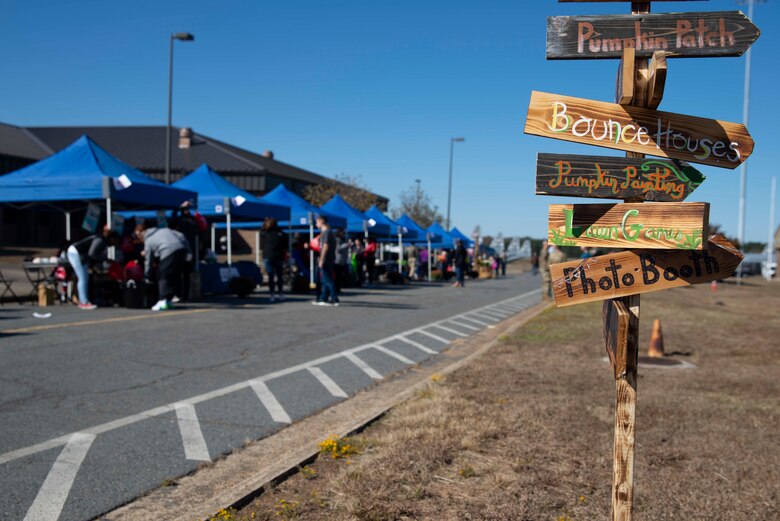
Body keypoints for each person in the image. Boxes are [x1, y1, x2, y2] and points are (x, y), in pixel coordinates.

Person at [137, 221, 191, 311]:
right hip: (182, 250)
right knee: (174, 275)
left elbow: (149, 260)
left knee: (162, 275)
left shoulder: (149, 240)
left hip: (168, 251)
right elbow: (181, 235)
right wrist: (188, 251)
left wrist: (147, 275)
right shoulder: (164, 230)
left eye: (139, 236)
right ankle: (169, 299)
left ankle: (163, 300)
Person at [65, 226, 119, 310]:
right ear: (112, 239)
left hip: (79, 255)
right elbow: (92, 254)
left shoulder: (101, 240)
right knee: (83, 278)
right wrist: (104, 259)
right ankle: (84, 302)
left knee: (84, 278)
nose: (116, 243)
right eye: (116, 241)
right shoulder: (100, 240)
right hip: (76, 253)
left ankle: (82, 300)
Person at [313, 215, 339, 306]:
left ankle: (334, 299)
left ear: (321, 221)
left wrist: (321, 259)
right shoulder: (327, 232)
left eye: (317, 222)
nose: (316, 224)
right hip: (328, 259)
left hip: (326, 259)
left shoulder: (326, 232)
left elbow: (325, 246)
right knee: (324, 280)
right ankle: (323, 298)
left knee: (328, 279)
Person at [261, 217, 287, 302]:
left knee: (272, 276)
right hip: (276, 256)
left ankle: (272, 294)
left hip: (270, 256)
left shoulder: (266, 233)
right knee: (278, 276)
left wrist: (265, 222)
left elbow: (262, 230)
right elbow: (285, 244)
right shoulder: (280, 233)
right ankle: (279, 293)